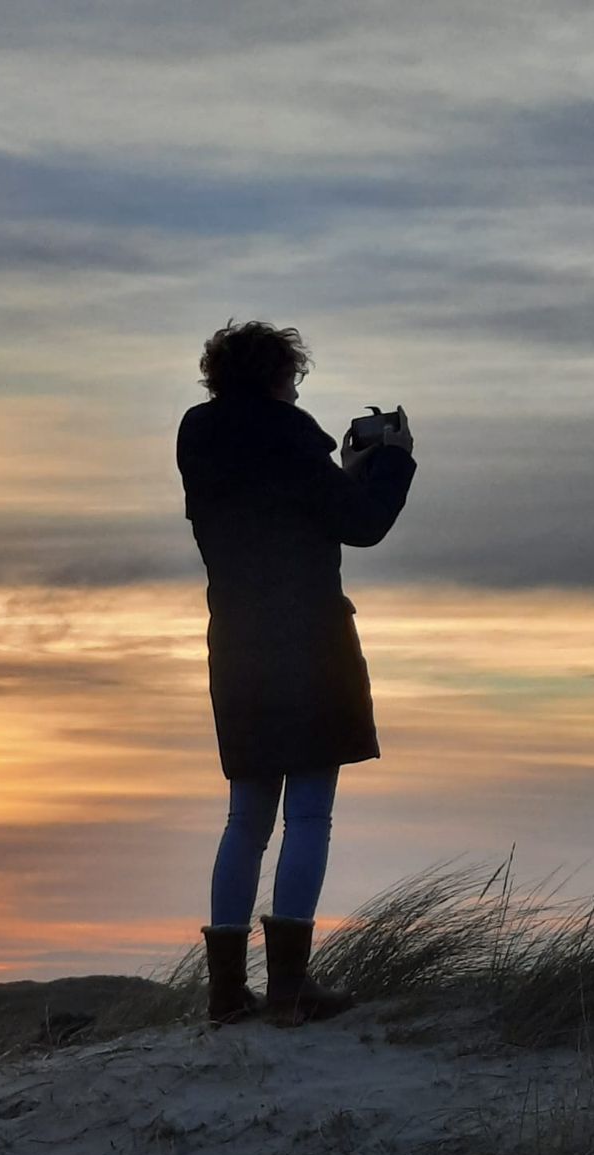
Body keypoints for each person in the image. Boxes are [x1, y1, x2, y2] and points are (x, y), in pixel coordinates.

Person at [176, 319, 417, 1027]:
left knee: (246, 817)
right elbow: (362, 523)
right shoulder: (292, 437)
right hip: (309, 637)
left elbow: (278, 510)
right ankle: (289, 991)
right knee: (309, 810)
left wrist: (334, 475)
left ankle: (226, 994)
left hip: (238, 640)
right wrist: (391, 460)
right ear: (282, 375)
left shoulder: (199, 436)